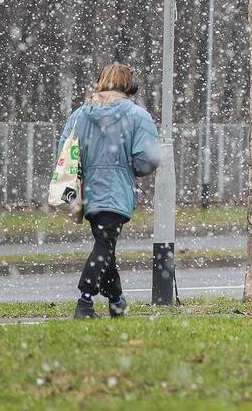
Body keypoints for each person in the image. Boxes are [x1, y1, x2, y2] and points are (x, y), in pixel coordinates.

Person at [58, 62, 161, 319]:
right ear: (130, 86)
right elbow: (146, 160)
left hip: (88, 192)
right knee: (105, 245)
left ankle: (116, 301)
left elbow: (65, 150)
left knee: (106, 246)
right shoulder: (137, 116)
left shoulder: (81, 114)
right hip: (116, 191)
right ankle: (85, 301)